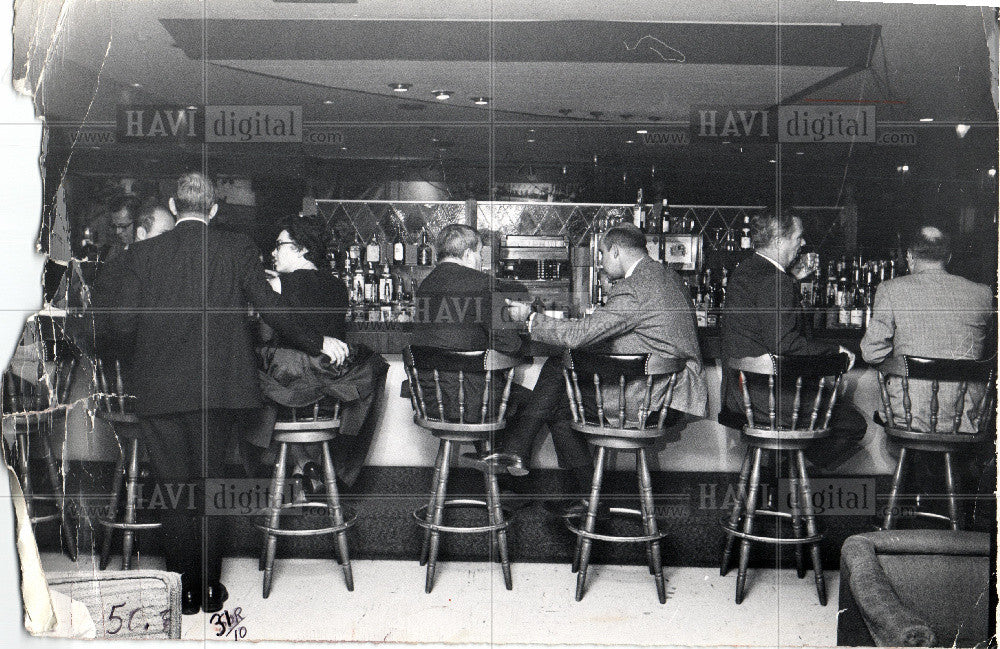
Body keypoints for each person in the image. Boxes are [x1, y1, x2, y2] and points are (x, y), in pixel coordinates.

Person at [100, 172, 347, 615]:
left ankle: (184, 594)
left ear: (175, 209)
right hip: (221, 389)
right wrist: (318, 341)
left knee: (174, 491)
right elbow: (271, 307)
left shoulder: (141, 254)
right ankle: (211, 589)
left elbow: (119, 326)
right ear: (214, 210)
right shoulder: (236, 249)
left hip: (159, 390)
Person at [505, 223, 708, 513]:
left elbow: (579, 335)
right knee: (562, 390)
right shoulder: (667, 277)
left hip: (650, 398)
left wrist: (530, 319)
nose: (600, 261)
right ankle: (578, 490)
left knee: (559, 377)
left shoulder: (634, 288)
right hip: (671, 391)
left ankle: (524, 454)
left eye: (601, 254)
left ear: (615, 251)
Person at [245, 216, 388, 492]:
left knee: (247, 371)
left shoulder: (276, 286)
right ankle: (310, 466)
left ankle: (288, 467)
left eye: (280, 245)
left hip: (290, 385)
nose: (274, 252)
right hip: (331, 386)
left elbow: (272, 326)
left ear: (302, 249)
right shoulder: (339, 287)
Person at [719, 208, 864, 469]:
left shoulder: (746, 271)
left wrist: (792, 281)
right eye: (798, 237)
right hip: (767, 398)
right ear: (778, 242)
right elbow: (785, 344)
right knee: (852, 423)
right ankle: (791, 475)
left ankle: (779, 475)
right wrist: (837, 351)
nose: (803, 243)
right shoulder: (776, 281)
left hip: (741, 394)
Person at [412, 224, 531, 474]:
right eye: (479, 254)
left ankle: (495, 468)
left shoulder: (424, 286)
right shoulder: (484, 284)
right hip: (473, 401)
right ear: (467, 254)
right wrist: (514, 320)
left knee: (483, 385)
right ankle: (504, 474)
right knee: (537, 402)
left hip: (432, 400)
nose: (480, 261)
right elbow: (510, 344)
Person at [861, 225, 994, 433]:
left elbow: (871, 353)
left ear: (909, 256)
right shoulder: (983, 294)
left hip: (909, 413)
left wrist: (903, 360)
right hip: (965, 418)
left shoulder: (890, 289)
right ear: (948, 257)